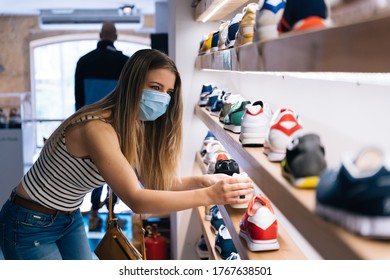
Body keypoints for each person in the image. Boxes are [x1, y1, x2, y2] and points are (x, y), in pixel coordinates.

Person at [0, 49, 254, 260]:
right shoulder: (97, 128)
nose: (163, 98)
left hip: (69, 217)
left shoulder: (133, 124)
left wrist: (203, 181)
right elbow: (137, 199)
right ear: (133, 84)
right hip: (28, 223)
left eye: (168, 92)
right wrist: (209, 195)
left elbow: (152, 182)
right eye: (155, 87)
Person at [74, 21, 129, 231]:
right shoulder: (124, 62)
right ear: (114, 36)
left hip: (89, 126)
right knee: (114, 169)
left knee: (93, 169)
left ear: (100, 35)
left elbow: (78, 101)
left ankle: (95, 214)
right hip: (116, 126)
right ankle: (111, 217)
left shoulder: (84, 61)